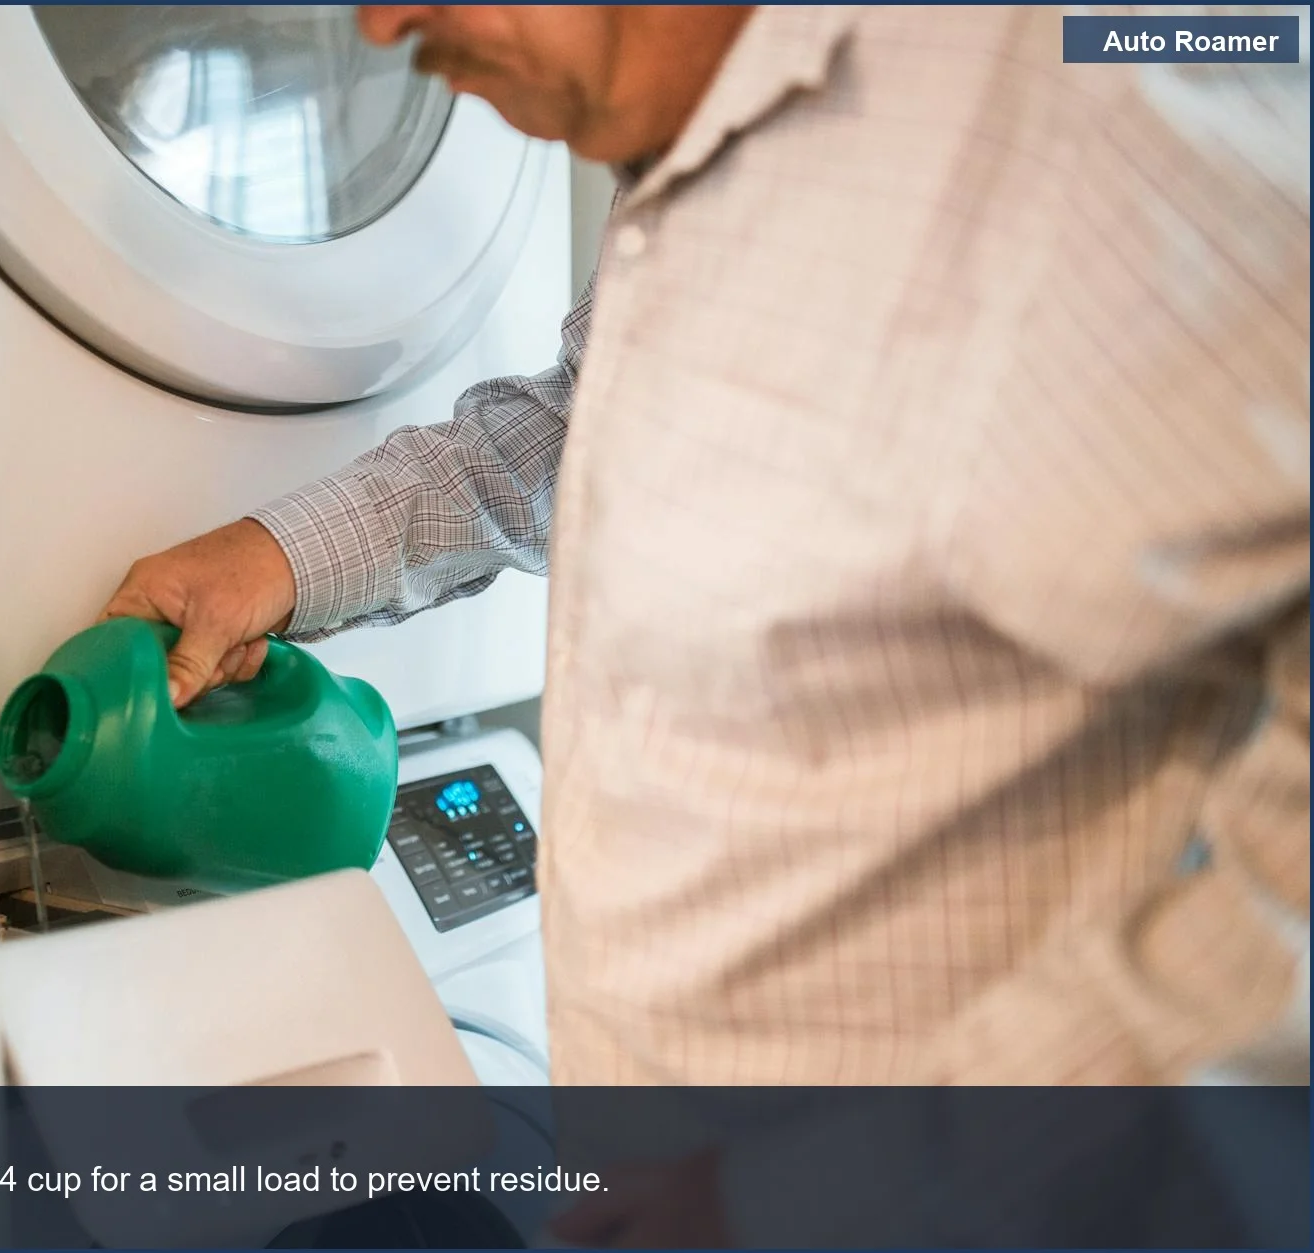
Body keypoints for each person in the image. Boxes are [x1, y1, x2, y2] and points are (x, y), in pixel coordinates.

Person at [103, 6, 1310, 1090]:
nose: (381, 25)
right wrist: (279, 555)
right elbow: (589, 423)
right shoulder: (677, 151)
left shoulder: (1068, 106)